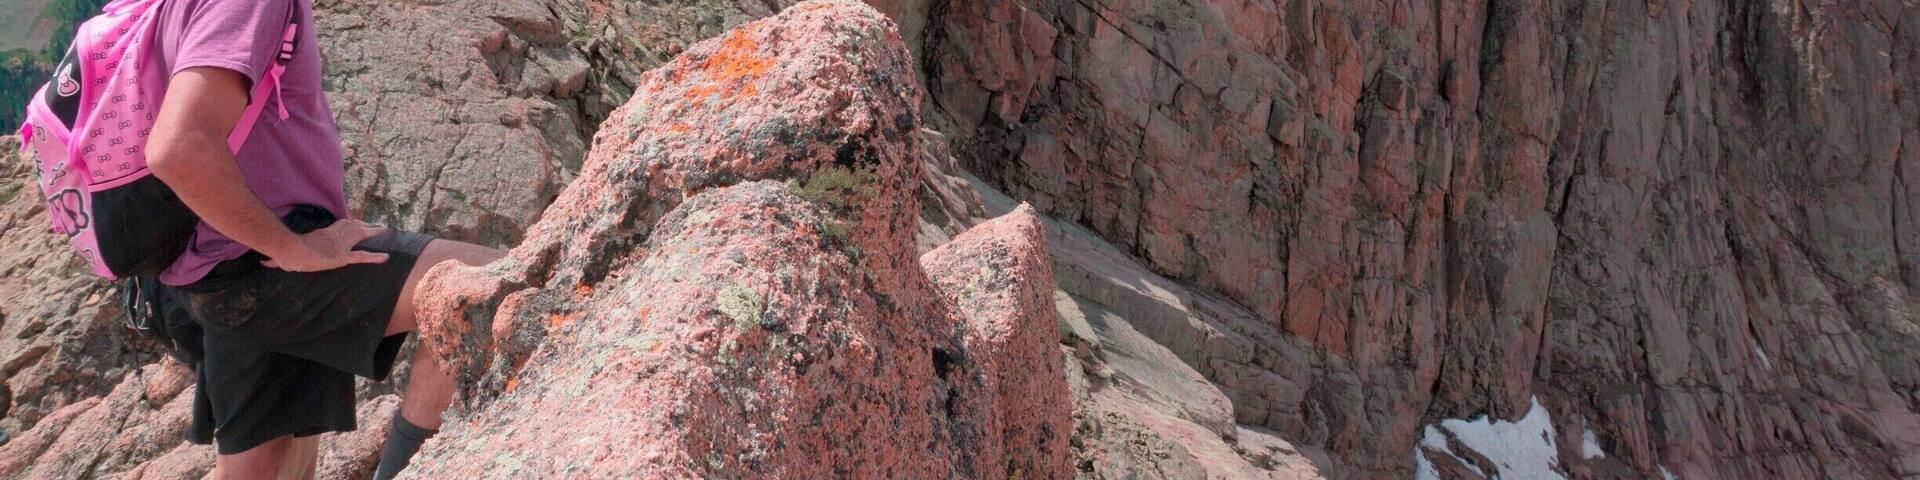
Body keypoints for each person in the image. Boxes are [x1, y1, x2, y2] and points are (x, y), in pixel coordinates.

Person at [142, 0, 502, 478]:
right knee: (486, 290)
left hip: (200, 266)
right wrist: (294, 249)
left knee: (274, 467)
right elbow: (176, 148)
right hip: (258, 268)